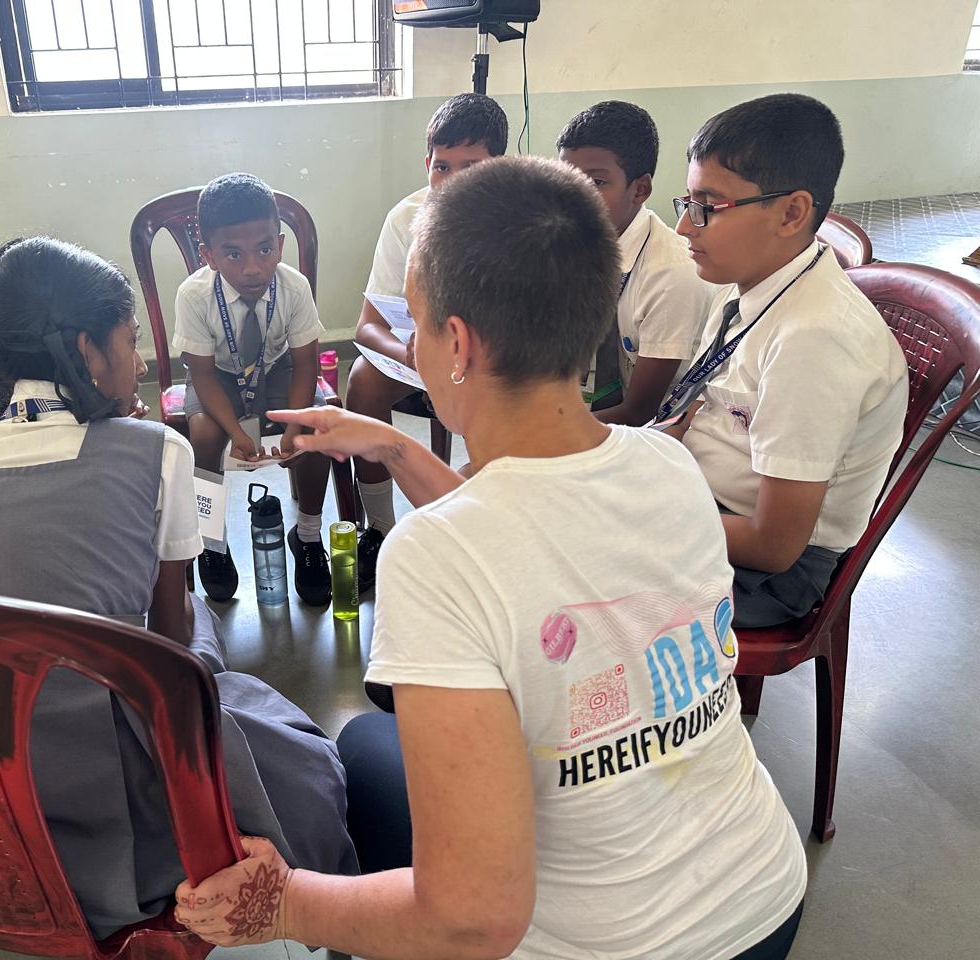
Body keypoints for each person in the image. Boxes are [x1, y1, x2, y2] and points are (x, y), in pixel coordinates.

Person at [172, 157, 807, 960]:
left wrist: (284, 904)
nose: (412, 342)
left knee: (358, 755)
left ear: (459, 341)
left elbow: (473, 918)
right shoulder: (667, 465)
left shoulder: (431, 557)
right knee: (370, 747)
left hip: (609, 946)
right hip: (765, 899)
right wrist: (397, 448)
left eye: (419, 322)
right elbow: (521, 529)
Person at [0, 236, 355, 937]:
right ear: (88, 349)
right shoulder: (156, 449)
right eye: (128, 342)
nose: (143, 364)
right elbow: (170, 639)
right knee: (308, 764)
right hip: (109, 785)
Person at [669, 94, 908, 627]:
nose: (686, 227)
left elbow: (773, 544)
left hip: (768, 574)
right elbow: (707, 404)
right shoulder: (755, 283)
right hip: (705, 500)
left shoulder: (815, 340)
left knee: (560, 571)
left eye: (708, 206)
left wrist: (647, 516)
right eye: (686, 202)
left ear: (792, 213)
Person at [346, 92, 509, 589]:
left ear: (499, 167)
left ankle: (483, 527)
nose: (452, 181)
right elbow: (367, 326)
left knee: (498, 397)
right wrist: (414, 357)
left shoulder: (519, 220)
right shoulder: (406, 219)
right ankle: (379, 526)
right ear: (427, 164)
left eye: (471, 166)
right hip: (421, 355)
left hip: (492, 356)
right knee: (361, 384)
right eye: (443, 167)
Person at [172, 173, 333, 606]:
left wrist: (293, 427)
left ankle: (309, 537)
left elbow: (304, 363)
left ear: (280, 245)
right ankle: (212, 543)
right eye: (233, 254)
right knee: (205, 436)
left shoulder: (294, 287)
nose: (253, 267)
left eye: (265, 249)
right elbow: (202, 375)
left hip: (279, 368)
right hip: (218, 375)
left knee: (315, 432)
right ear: (208, 255)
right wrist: (238, 435)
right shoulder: (193, 296)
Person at [557, 100, 712, 424]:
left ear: (640, 189)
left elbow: (640, 411)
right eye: (566, 178)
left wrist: (550, 433)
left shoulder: (669, 274)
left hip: (656, 432)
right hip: (590, 408)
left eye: (597, 182)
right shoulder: (573, 243)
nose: (575, 197)